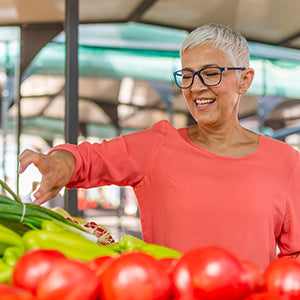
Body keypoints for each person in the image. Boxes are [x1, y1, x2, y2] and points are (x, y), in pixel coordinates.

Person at [18, 23, 300, 270]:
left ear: (245, 80)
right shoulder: (157, 146)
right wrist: (60, 163)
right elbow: (89, 159)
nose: (196, 87)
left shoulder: (287, 162)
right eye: (187, 75)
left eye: (211, 73)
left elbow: (294, 257)